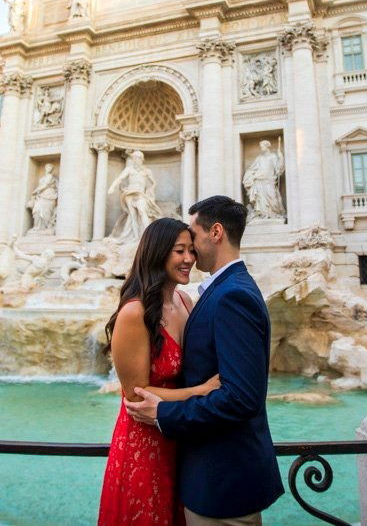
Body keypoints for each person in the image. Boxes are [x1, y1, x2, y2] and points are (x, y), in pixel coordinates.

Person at [126, 196, 284, 524]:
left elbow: (240, 399)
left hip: (222, 481)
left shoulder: (232, 296)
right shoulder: (222, 290)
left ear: (215, 232)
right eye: (180, 249)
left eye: (193, 238)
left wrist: (165, 412)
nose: (191, 251)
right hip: (206, 474)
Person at [98, 217, 221, 525]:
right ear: (158, 252)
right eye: (179, 251)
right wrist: (200, 391)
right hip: (145, 444)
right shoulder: (134, 312)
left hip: (181, 436)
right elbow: (135, 393)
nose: (189, 259)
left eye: (191, 250)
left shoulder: (184, 299)